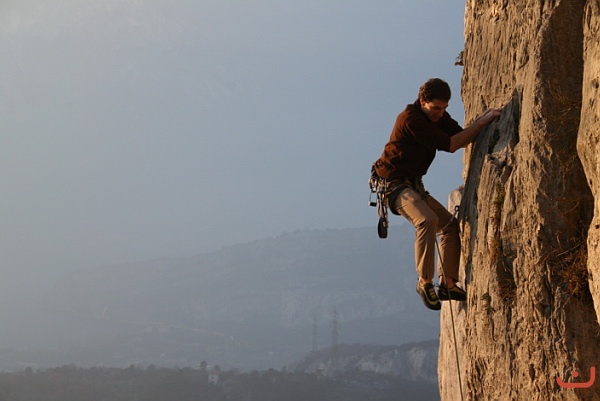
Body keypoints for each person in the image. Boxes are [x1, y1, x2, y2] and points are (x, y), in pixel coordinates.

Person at [373, 78, 501, 310]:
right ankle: (424, 282)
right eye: (436, 108)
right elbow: (451, 145)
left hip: (412, 185)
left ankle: (448, 283)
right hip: (393, 185)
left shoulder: (437, 117)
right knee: (426, 220)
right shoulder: (410, 120)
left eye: (444, 109)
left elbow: (461, 136)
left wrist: (480, 123)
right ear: (423, 101)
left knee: (450, 226)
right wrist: (482, 121)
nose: (440, 114)